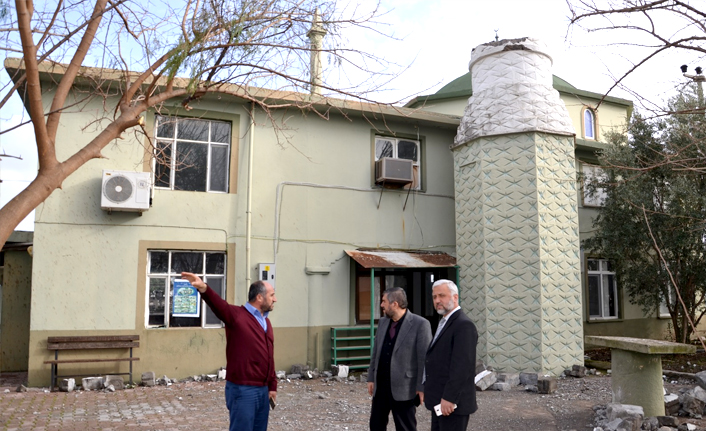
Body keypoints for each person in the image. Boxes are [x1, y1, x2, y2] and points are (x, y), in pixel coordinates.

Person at [181, 272, 277, 431]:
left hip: (263, 389)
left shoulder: (266, 322)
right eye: (272, 295)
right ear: (259, 297)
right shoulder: (237, 316)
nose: (275, 299)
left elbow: (269, 356)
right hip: (243, 389)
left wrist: (272, 385)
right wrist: (204, 288)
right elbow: (219, 306)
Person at [367, 287, 432, 431]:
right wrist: (371, 377)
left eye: (384, 301)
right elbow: (376, 352)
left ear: (394, 304)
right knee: (375, 426)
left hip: (405, 389)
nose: (381, 305)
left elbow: (424, 359)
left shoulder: (420, 324)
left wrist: (421, 387)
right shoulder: (383, 322)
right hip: (381, 388)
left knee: (405, 427)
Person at [424, 279, 478, 431]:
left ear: (455, 297)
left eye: (442, 295)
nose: (437, 300)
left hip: (452, 404)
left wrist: (449, 398)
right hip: (439, 401)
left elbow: (463, 367)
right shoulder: (445, 322)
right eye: (434, 297)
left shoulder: (463, 325)